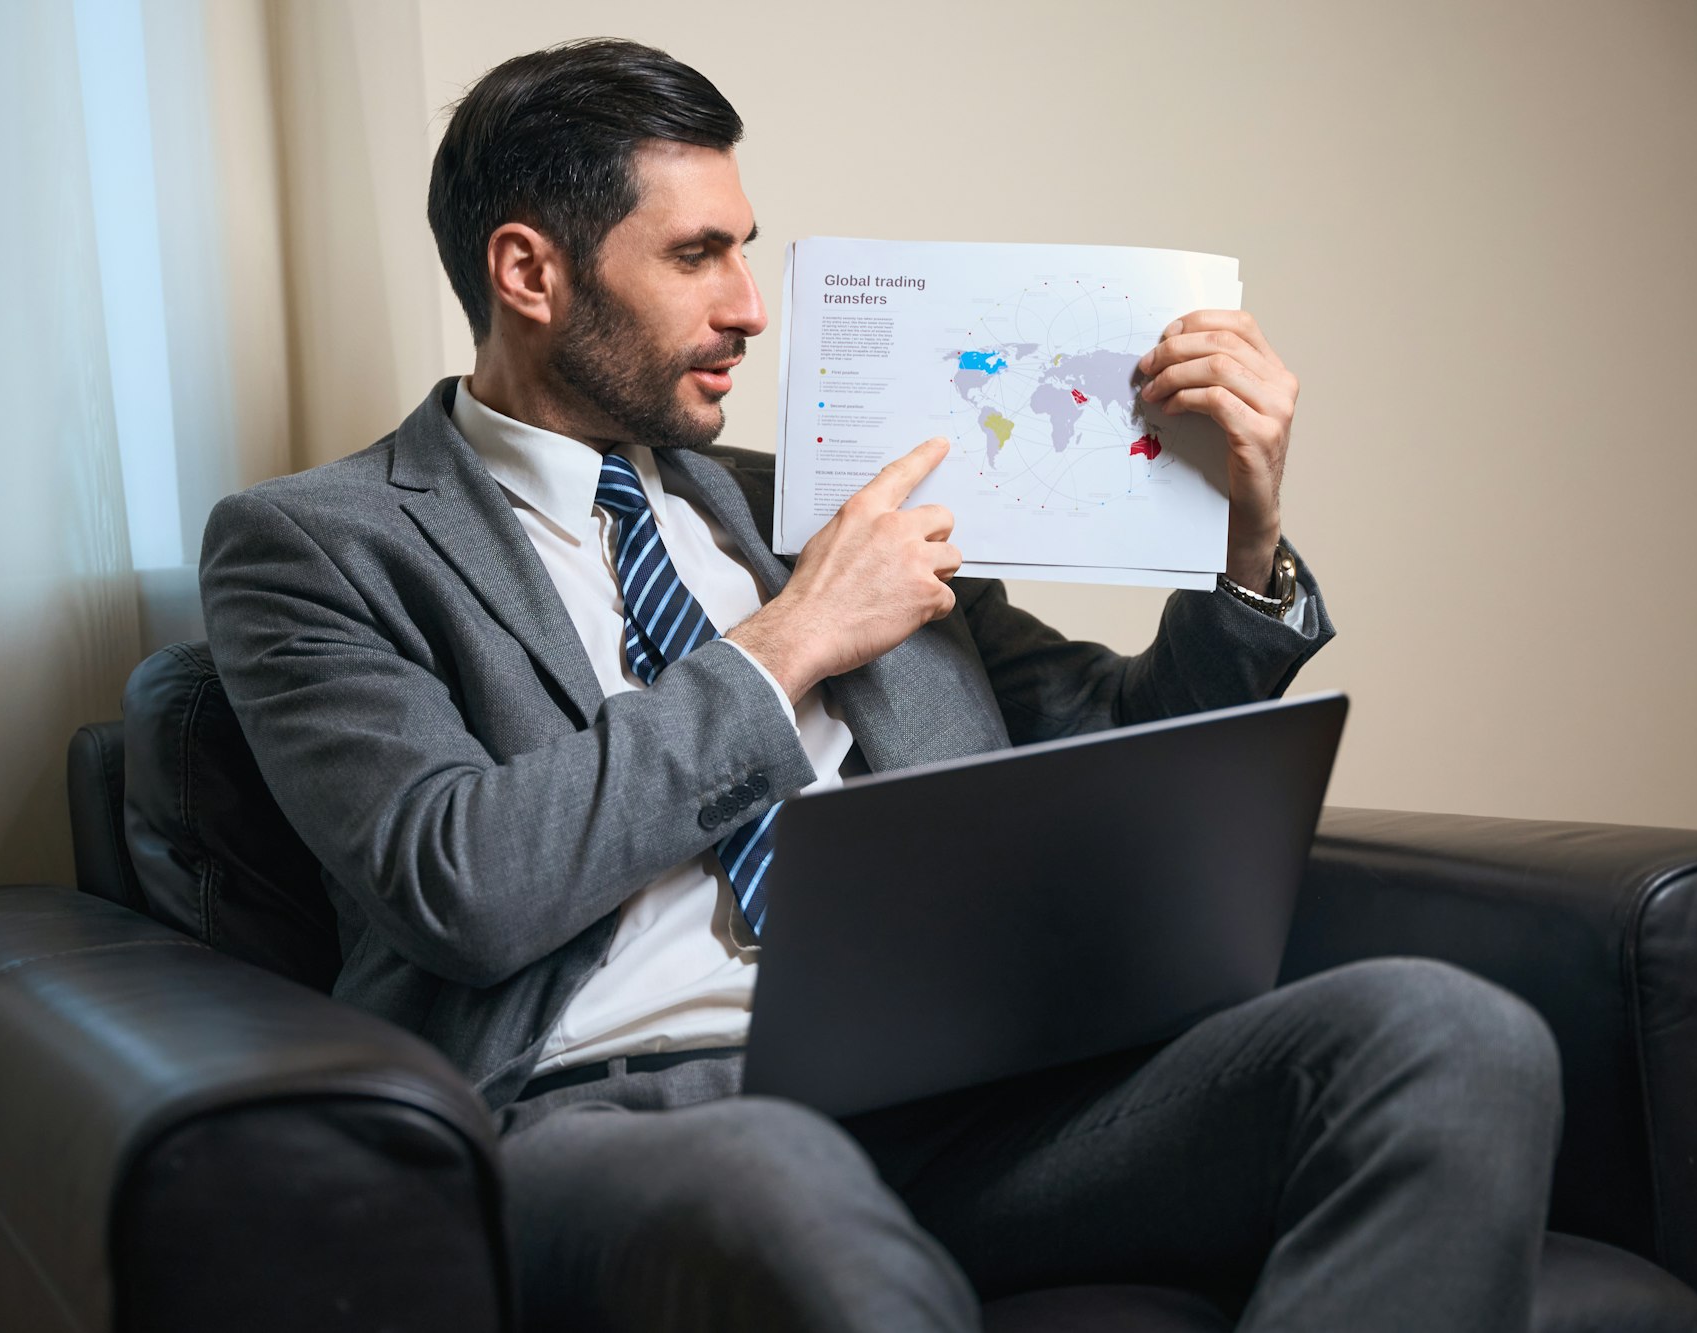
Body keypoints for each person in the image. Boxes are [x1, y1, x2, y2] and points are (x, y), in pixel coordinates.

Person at [199, 37, 1561, 1333]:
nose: (749, 304)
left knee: (1448, 1033)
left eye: (743, 246)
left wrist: (1241, 543)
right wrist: (788, 642)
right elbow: (460, 879)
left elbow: (1115, 742)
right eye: (697, 255)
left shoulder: (816, 504)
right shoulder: (318, 545)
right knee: (783, 1181)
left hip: (963, 1101)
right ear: (529, 272)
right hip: (611, 1122)